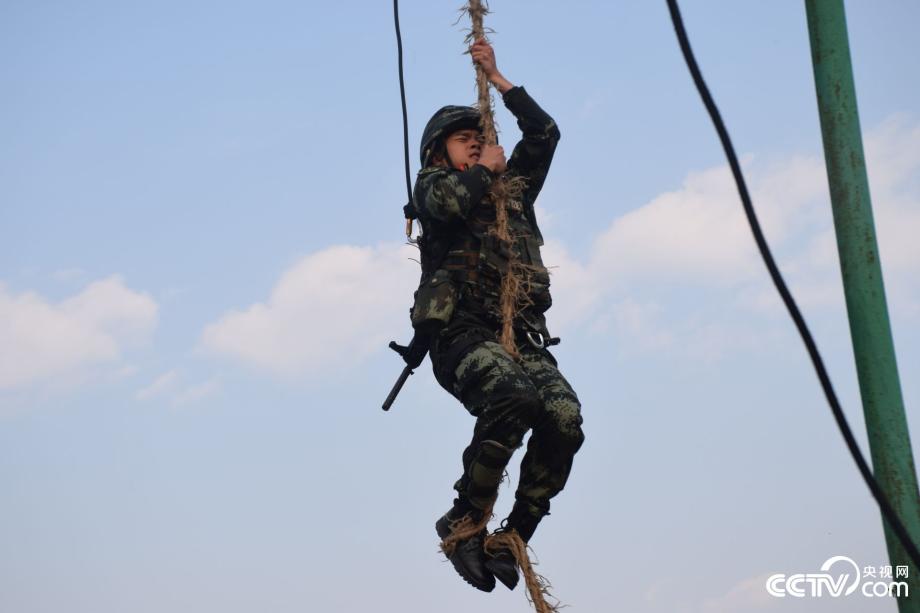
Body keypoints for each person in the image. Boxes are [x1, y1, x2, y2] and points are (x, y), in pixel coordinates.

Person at [407, 38, 585, 593]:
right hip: (462, 333)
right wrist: (484, 169)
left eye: (482, 139)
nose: (478, 145)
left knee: (563, 419)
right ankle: (464, 521)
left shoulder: (512, 197)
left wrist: (500, 80)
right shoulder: (435, 186)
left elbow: (544, 134)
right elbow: (448, 203)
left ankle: (513, 537)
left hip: (519, 336)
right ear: (440, 153)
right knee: (513, 398)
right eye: (465, 139)